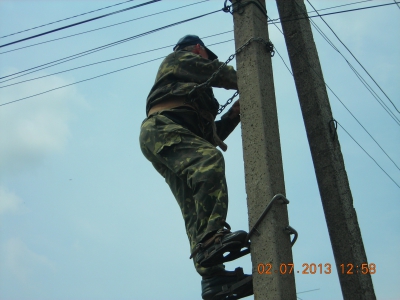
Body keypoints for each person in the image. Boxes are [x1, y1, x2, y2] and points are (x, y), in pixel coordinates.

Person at [139, 35, 252, 299]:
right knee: (209, 161)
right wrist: (251, 77)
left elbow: (210, 136)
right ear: (199, 49)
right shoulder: (178, 60)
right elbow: (215, 71)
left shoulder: (197, 99)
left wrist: (234, 115)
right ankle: (212, 238)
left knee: (193, 206)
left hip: (168, 135)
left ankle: (212, 277)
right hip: (161, 128)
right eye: (205, 56)